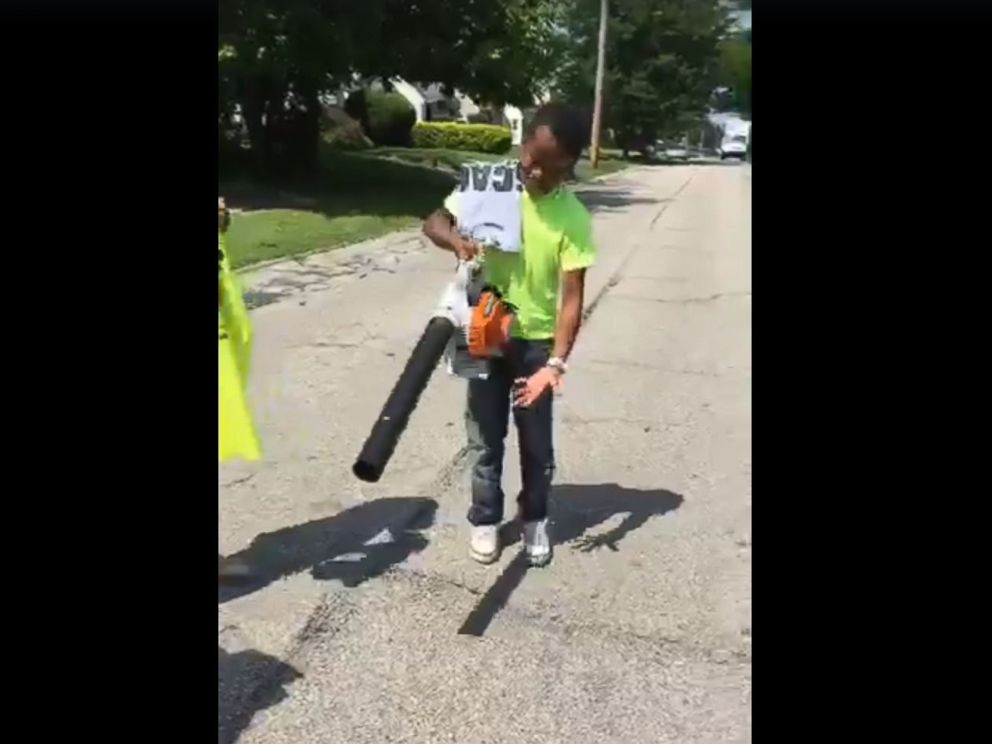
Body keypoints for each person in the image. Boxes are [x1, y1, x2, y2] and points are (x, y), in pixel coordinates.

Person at [422, 103, 596, 567]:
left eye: (545, 164)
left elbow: (572, 297)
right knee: (483, 436)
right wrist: (456, 241)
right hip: (482, 327)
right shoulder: (489, 186)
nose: (531, 169)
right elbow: (433, 221)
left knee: (537, 444)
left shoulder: (572, 215)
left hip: (535, 343)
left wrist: (556, 363)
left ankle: (534, 517)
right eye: (527, 156)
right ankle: (484, 520)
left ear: (569, 164)